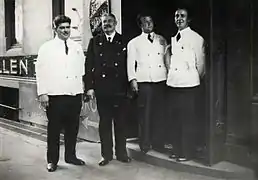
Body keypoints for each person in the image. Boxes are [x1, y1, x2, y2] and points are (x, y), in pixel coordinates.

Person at [36, 15, 86, 172]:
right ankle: (52, 160)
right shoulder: (46, 48)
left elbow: (81, 71)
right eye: (62, 28)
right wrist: (43, 93)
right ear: (55, 29)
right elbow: (40, 71)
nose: (65, 30)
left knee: (73, 128)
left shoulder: (76, 47)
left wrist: (82, 91)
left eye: (67, 27)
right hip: (55, 95)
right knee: (54, 129)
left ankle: (71, 156)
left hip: (74, 93)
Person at [84, 13, 131, 166]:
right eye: (104, 22)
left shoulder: (124, 40)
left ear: (116, 23)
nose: (107, 24)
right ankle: (106, 155)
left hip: (120, 88)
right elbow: (88, 65)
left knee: (121, 122)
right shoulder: (95, 42)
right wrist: (89, 87)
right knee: (104, 123)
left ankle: (122, 153)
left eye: (110, 21)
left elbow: (130, 65)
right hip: (102, 89)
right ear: (101, 24)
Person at [165, 8, 205, 162]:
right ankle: (177, 149)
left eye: (182, 16)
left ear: (189, 19)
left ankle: (187, 152)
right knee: (175, 119)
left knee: (187, 120)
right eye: (176, 16)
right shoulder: (174, 38)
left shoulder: (196, 38)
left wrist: (193, 78)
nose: (179, 18)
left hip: (189, 85)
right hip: (174, 84)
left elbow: (201, 65)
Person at [127, 13, 168, 153]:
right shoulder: (134, 43)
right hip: (144, 81)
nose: (149, 24)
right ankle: (145, 143)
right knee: (144, 114)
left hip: (160, 80)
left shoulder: (161, 40)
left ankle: (158, 143)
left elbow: (166, 60)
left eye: (150, 21)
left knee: (159, 113)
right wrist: (133, 80)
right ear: (140, 25)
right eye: (145, 22)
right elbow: (130, 64)